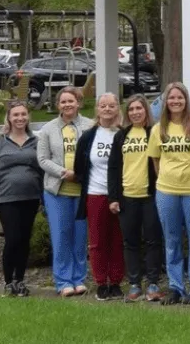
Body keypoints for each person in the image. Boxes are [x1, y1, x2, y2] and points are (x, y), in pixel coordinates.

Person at [148, 84, 190, 304]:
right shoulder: (158, 129)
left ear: (186, 100)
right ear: (166, 102)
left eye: (179, 97)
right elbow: (156, 161)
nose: (175, 101)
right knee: (171, 239)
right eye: (171, 98)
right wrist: (167, 178)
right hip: (166, 191)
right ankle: (175, 286)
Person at [66, 93, 125, 301]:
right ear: (97, 109)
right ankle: (101, 282)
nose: (107, 109)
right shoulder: (89, 136)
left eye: (111, 105)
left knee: (118, 240)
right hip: (95, 194)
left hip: (119, 195)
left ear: (117, 108)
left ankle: (116, 282)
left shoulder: (123, 134)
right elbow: (79, 168)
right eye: (103, 105)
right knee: (98, 242)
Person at [0, 99, 44, 297]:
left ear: (28, 117)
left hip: (30, 197)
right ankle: (8, 282)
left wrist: (43, 197)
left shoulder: (36, 142)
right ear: (9, 118)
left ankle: (20, 280)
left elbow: (41, 169)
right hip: (6, 198)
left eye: (23, 114)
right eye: (15, 115)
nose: (20, 118)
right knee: (12, 239)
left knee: (25, 240)